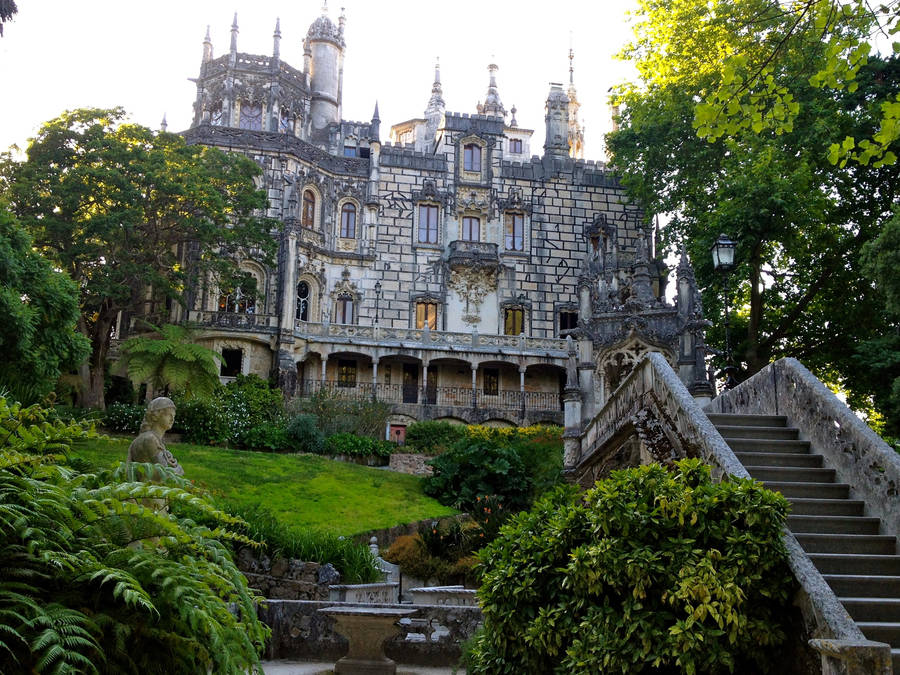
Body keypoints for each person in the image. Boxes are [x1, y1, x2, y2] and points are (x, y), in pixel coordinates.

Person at [126, 397, 184, 475]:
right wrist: (179, 469)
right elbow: (165, 473)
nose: (172, 419)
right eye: (168, 415)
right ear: (155, 416)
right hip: (146, 486)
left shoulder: (154, 439)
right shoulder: (150, 439)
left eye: (173, 416)